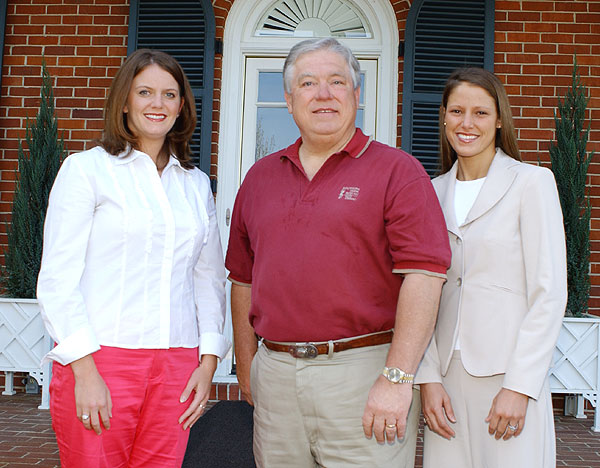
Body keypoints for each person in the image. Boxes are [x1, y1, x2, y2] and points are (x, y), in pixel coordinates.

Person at [225, 37, 451, 468]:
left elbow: (425, 275)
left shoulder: (398, 171)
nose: (323, 94)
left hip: (364, 374)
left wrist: (397, 377)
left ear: (356, 95)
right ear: (289, 100)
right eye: (308, 83)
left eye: (337, 82)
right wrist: (248, 365)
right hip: (276, 375)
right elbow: (242, 278)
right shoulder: (259, 178)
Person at [37, 49, 230, 468]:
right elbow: (57, 280)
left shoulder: (195, 184)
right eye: (144, 92)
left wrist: (208, 360)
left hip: (178, 362)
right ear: (124, 102)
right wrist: (84, 371)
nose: (157, 104)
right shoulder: (86, 170)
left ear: (182, 107)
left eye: (169, 94)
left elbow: (209, 277)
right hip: (100, 358)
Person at [415, 67, 567, 468]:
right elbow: (418, 293)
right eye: (457, 111)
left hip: (508, 375)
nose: (467, 123)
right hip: (445, 379)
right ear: (444, 116)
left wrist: (520, 387)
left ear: (499, 119)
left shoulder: (532, 183)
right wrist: (427, 378)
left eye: (480, 113)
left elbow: (549, 293)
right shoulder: (430, 192)